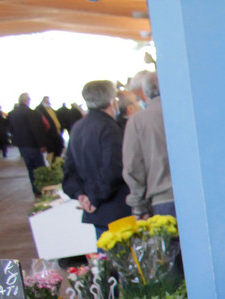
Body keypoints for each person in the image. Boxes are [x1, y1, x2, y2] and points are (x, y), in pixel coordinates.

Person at [63, 81, 132, 236]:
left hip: (97, 212)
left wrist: (81, 194)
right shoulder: (109, 127)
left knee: (106, 256)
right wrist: (94, 198)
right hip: (116, 210)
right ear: (111, 100)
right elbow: (113, 169)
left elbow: (69, 168)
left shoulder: (78, 127)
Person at [122, 71, 174, 218]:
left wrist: (138, 205)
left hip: (163, 200)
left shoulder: (138, 121)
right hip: (200, 194)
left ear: (145, 92)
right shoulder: (187, 112)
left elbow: (133, 166)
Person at [7, 93, 47, 196]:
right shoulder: (31, 113)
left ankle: (35, 189)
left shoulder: (12, 114)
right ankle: (43, 188)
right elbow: (35, 130)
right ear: (27, 100)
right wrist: (41, 144)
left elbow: (11, 129)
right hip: (32, 144)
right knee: (39, 168)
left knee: (30, 168)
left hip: (22, 145)